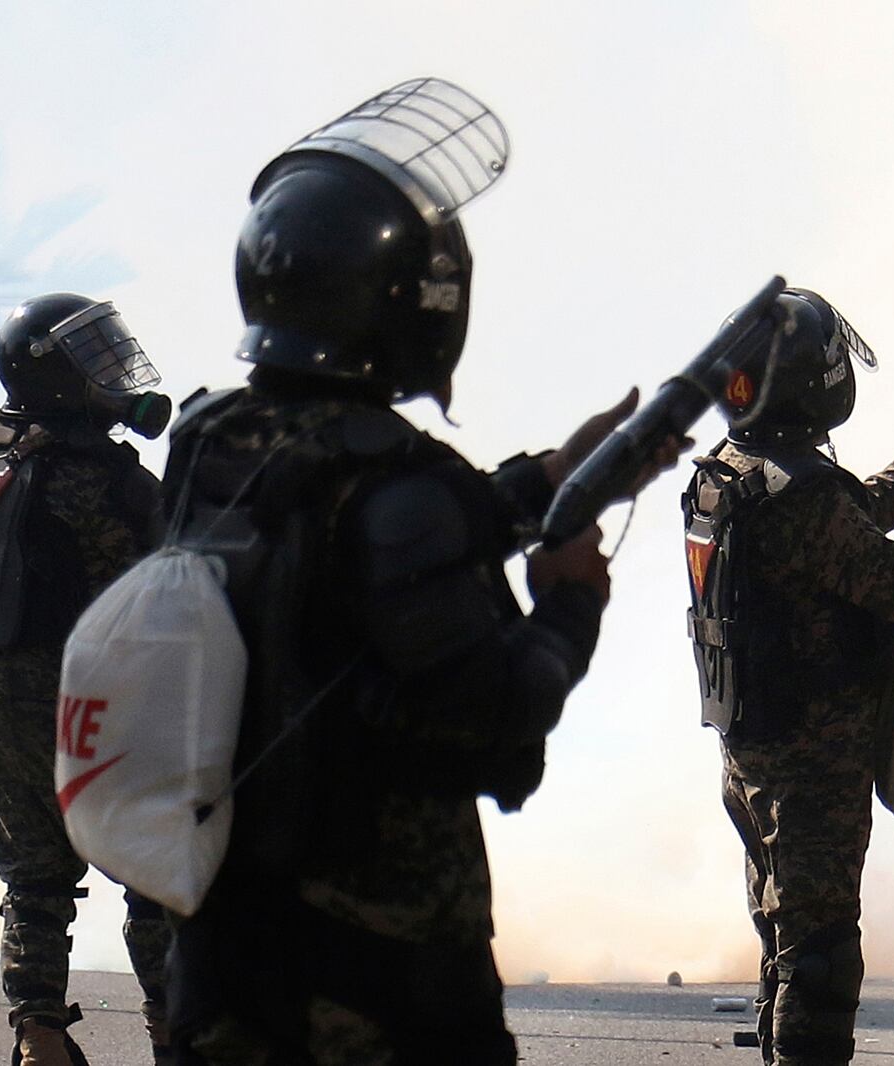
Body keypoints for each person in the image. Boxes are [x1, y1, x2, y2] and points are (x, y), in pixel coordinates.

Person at [160, 79, 679, 1064]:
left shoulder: (210, 444)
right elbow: (499, 716)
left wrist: (556, 477)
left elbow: (344, 530)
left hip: (222, 955)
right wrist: (569, 603)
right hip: (375, 984)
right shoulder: (401, 479)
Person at [683, 289, 894, 1066]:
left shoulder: (734, 473)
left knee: (787, 939)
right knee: (821, 955)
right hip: (810, 760)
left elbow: (853, 511)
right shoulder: (802, 492)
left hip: (754, 749)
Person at [0, 293, 175, 1065]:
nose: (110, 368)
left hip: (4, 711)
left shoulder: (8, 467)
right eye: (91, 356)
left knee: (35, 880)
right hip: (91, 700)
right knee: (155, 873)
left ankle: (39, 1035)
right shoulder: (108, 482)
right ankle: (179, 1028)